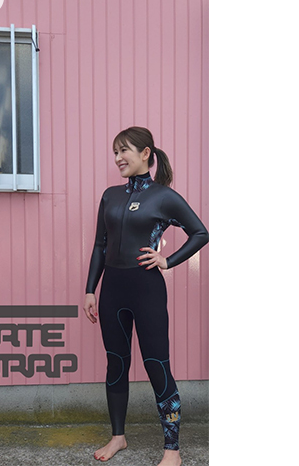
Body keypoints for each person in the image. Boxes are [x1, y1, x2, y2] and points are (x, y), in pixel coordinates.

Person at [83, 127, 208, 466]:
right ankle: (118, 437)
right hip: (112, 292)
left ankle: (172, 451)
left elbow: (200, 233)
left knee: (157, 365)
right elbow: (100, 246)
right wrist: (90, 289)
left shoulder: (163, 196)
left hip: (146, 291)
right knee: (116, 363)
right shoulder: (110, 195)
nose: (118, 158)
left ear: (146, 153)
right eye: (115, 152)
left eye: (124, 150)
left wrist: (167, 260)